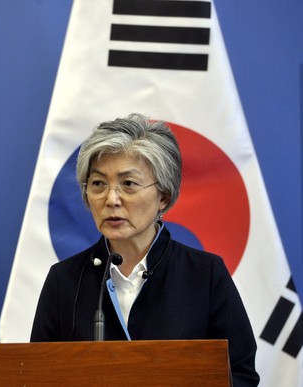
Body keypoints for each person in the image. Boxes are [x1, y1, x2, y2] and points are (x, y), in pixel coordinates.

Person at [30, 113, 259, 385]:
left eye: (128, 184)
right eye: (98, 184)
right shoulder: (64, 280)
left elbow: (239, 375)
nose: (111, 199)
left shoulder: (205, 275)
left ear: (163, 195)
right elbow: (38, 374)